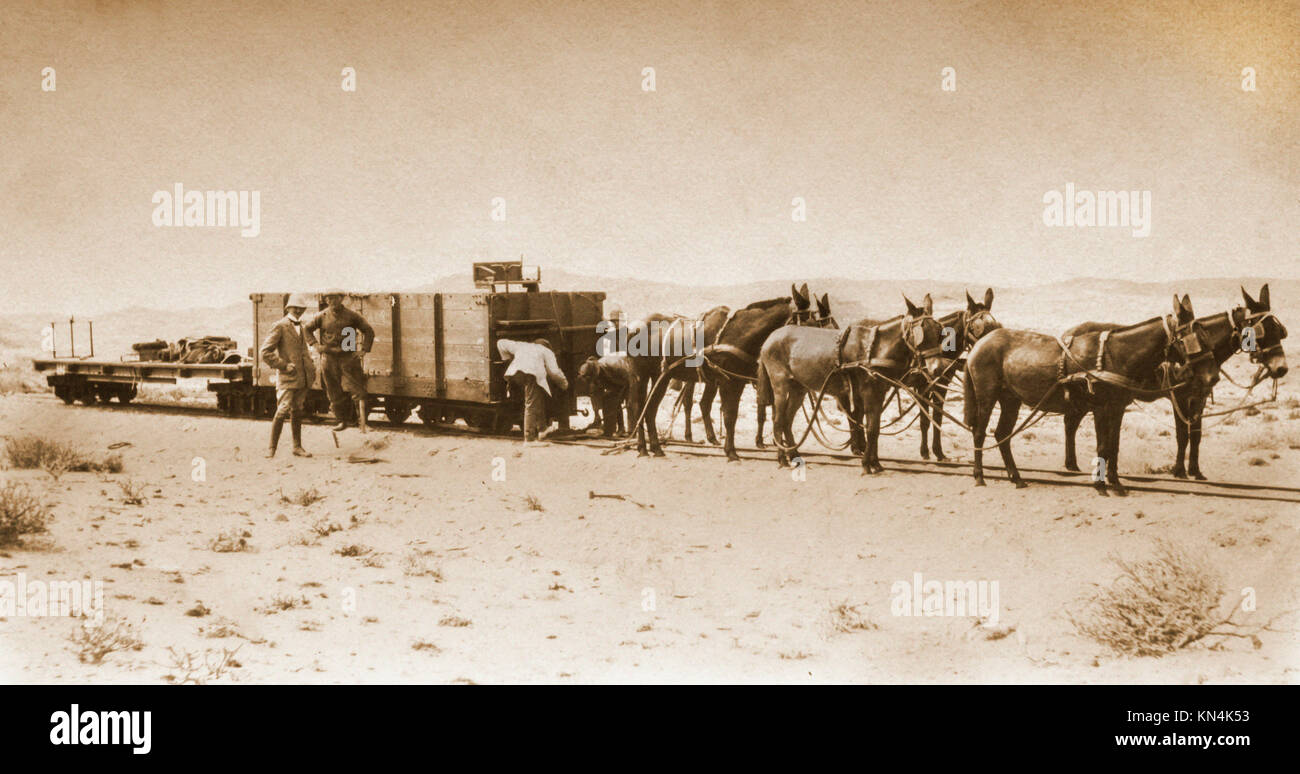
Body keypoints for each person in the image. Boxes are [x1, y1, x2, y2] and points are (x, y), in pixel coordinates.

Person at [305, 289, 375, 433]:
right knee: (333, 391)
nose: (332, 301)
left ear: (342, 298)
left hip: (348, 358)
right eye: (329, 298)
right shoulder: (321, 316)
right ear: (325, 300)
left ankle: (363, 423)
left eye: (335, 298)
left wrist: (364, 350)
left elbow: (368, 331)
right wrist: (315, 345)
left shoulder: (352, 316)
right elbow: (306, 329)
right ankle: (341, 421)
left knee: (358, 390)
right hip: (328, 358)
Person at [260, 293, 317, 458]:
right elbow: (265, 352)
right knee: (283, 410)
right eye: (295, 308)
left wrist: (310, 367)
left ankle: (297, 447)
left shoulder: (303, 326)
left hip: (303, 377)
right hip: (287, 377)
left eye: (301, 308)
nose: (298, 310)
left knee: (297, 410)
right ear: (288, 308)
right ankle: (271, 449)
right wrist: (283, 365)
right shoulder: (280, 325)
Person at [498, 338, 569, 442]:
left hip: (514, 374)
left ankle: (542, 430)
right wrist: (564, 385)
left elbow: (500, 343)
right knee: (531, 404)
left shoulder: (521, 345)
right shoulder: (547, 352)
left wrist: (506, 359)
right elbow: (554, 372)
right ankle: (529, 439)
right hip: (531, 374)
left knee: (536, 399)